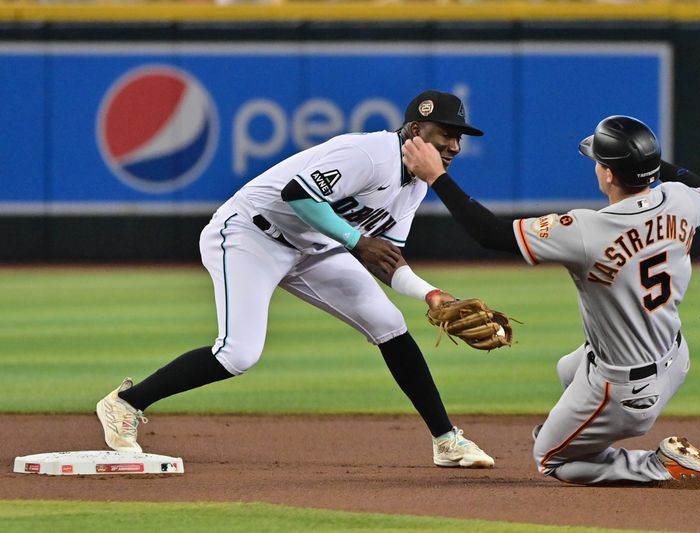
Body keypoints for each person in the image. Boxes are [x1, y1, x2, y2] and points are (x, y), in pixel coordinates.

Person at [96, 90, 495, 469]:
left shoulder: (414, 187)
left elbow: (385, 260)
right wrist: (356, 241)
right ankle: (126, 403)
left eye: (458, 137)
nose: (454, 146)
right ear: (414, 131)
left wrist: (432, 295)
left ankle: (445, 440)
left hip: (314, 250)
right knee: (238, 354)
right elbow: (297, 194)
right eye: (446, 133)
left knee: (389, 325)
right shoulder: (370, 155)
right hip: (250, 234)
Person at [401, 115, 700, 484]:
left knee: (549, 458)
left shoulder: (586, 230)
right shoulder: (679, 200)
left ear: (608, 175)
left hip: (626, 389)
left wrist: (437, 177)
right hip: (674, 356)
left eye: (599, 161)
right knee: (568, 368)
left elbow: (490, 234)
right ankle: (580, 431)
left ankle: (658, 465)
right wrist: (651, 164)